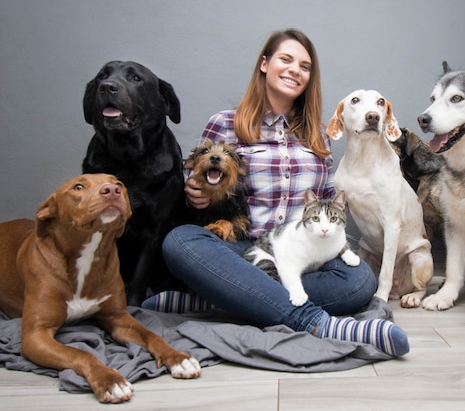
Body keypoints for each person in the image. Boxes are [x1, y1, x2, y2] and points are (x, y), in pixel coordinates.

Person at [142, 28, 409, 357]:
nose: (295, 69)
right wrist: (194, 195)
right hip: (242, 250)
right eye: (286, 59)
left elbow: (329, 209)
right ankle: (318, 323)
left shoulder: (320, 138)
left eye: (305, 66)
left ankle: (216, 296)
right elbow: (201, 190)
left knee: (360, 282)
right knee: (180, 241)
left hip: (302, 253)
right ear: (265, 64)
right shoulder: (225, 124)